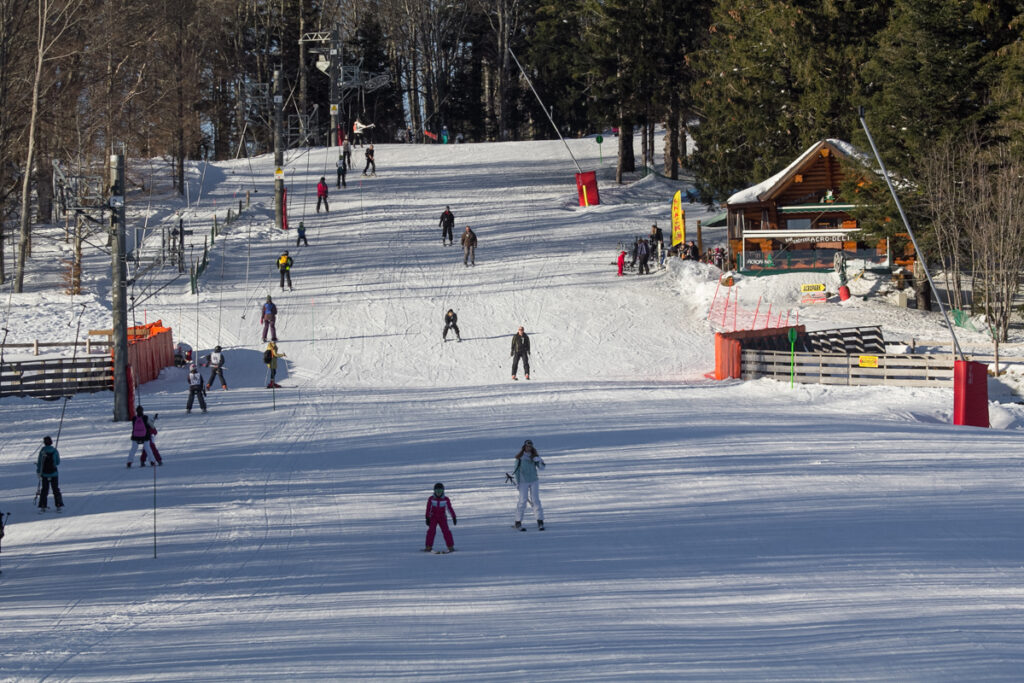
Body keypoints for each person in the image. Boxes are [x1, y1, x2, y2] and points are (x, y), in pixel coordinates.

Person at [512, 439, 545, 530]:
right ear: (524, 447)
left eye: (530, 446)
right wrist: (518, 482)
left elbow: (542, 468)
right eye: (527, 446)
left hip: (534, 480)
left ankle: (540, 521)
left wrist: (539, 460)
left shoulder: (534, 456)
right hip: (523, 482)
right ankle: (518, 521)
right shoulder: (520, 458)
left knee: (536, 500)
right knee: (522, 501)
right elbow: (516, 471)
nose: (529, 448)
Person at [423, 482, 456, 553]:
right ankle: (428, 546)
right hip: (433, 517)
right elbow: (428, 508)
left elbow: (449, 508)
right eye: (437, 491)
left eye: (440, 491)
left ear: (443, 491)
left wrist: (454, 517)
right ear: (434, 491)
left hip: (442, 518)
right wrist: (427, 518)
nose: (438, 493)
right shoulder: (431, 499)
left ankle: (450, 546)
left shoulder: (445, 499)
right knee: (431, 531)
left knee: (446, 531)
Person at [36, 436, 63, 512]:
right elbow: (58, 462)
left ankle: (43, 506)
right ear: (51, 442)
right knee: (55, 489)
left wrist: (38, 472)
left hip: (44, 474)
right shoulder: (54, 450)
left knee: (44, 490)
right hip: (54, 473)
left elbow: (39, 463)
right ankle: (58, 505)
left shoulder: (42, 451)